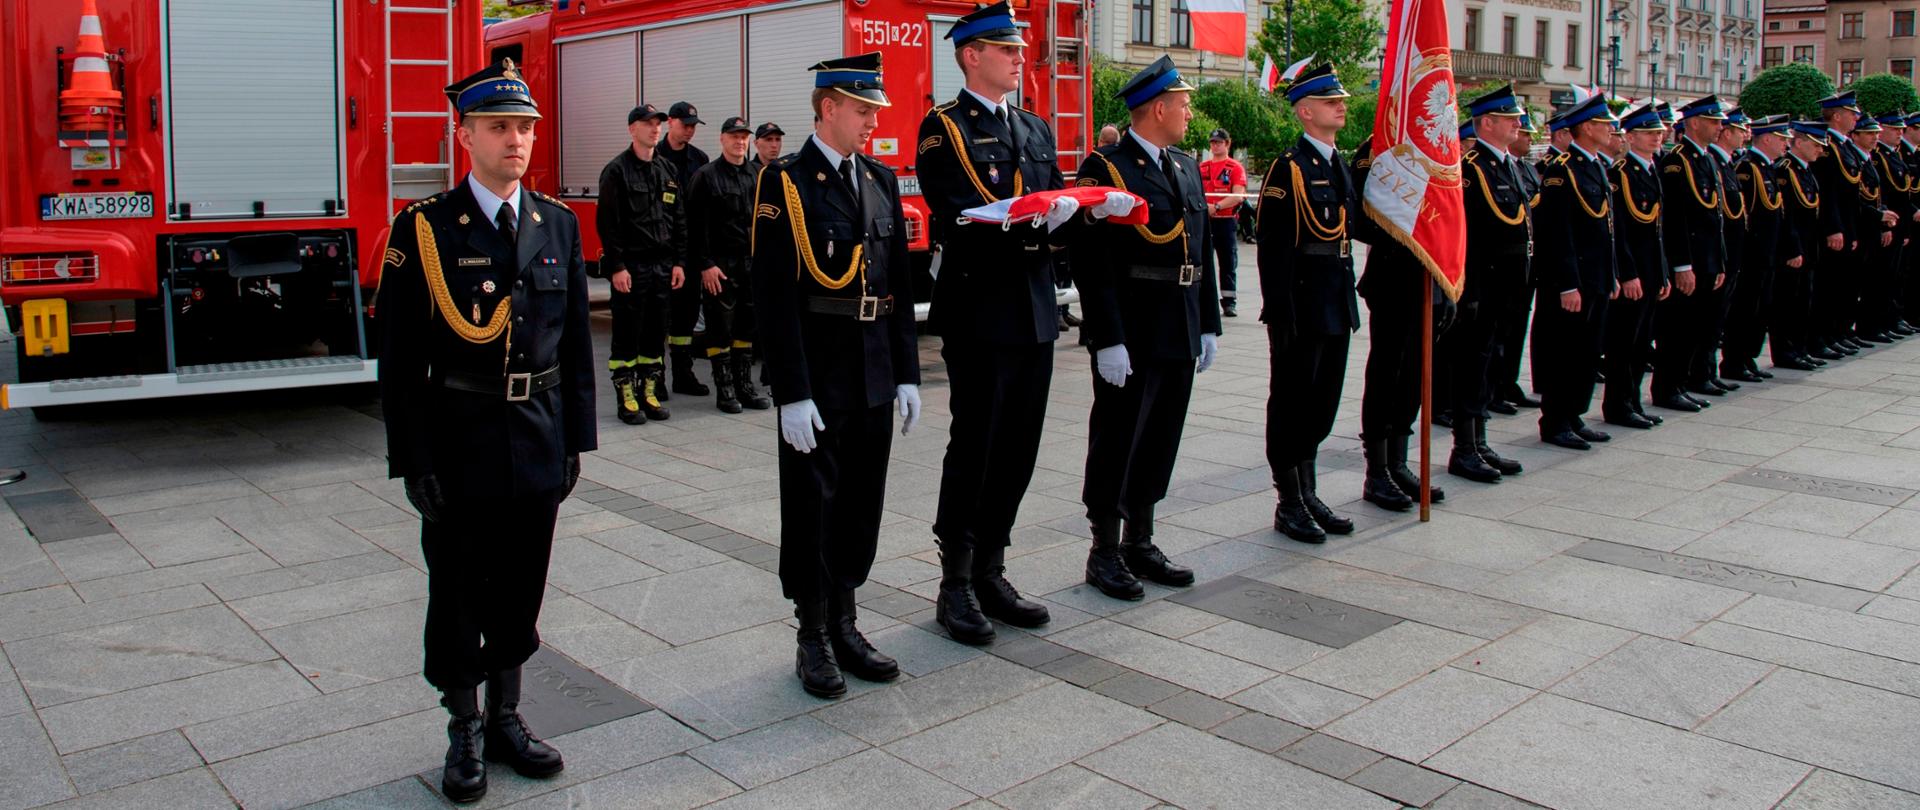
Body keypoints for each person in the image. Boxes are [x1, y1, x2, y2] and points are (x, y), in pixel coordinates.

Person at [377, 60, 592, 803]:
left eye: (525, 127)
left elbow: (573, 350)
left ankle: (507, 714)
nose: (516, 140)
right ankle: (462, 725)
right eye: (499, 126)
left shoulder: (556, 223)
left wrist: (575, 442)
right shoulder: (425, 230)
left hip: (537, 431)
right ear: (463, 133)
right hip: (461, 436)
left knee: (521, 583)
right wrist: (414, 459)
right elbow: (400, 360)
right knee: (460, 586)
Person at [751, 52, 920, 699]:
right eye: (862, 109)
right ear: (828, 108)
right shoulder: (785, 184)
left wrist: (907, 372)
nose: (872, 121)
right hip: (819, 377)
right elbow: (773, 294)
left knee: (860, 503)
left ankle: (847, 621)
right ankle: (812, 632)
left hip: (874, 369)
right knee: (812, 506)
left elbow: (899, 286)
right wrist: (789, 391)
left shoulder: (878, 178)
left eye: (875, 110)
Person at [917, 1, 1079, 644]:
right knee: (978, 445)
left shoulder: (1036, 128)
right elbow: (957, 211)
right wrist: (1033, 215)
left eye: (1019, 47)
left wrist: (1076, 212)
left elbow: (1056, 193)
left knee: (1019, 447)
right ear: (971, 55)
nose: (1020, 57)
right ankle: (954, 582)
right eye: (1006, 48)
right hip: (982, 308)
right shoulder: (943, 129)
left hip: (1036, 306)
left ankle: (992, 569)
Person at [1071, 55, 1219, 597]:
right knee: (1118, 436)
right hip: (1132, 328)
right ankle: (1104, 549)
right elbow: (1093, 261)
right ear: (1158, 108)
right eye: (1182, 104)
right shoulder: (1106, 168)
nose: (1188, 112)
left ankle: (1141, 538)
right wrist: (1107, 336)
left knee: (1160, 436)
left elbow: (1199, 248)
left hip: (1178, 322)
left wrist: (1208, 323)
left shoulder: (1183, 165)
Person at [1258, 63, 1359, 542]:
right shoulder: (1289, 167)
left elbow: (1348, 234)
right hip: (1301, 306)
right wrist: (1281, 312)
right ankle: (1289, 499)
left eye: (1340, 99)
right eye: (1330, 100)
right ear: (1305, 111)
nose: (1341, 106)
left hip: (1335, 301)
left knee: (1323, 403)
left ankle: (1309, 489)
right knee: (1293, 404)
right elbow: (1274, 249)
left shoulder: (1337, 162)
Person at [1351, 134, 1449, 510]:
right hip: (1394, 277)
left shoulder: (1437, 147)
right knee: (1387, 373)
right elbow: (1359, 214)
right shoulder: (1379, 146)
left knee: (1414, 375)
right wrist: (1405, 232)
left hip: (1432, 277)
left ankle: (1398, 461)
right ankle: (1377, 471)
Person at [1447, 85, 1531, 480]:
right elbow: (1470, 238)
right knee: (1471, 365)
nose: (1518, 123)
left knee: (1490, 365)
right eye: (1510, 117)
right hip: (1482, 288)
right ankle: (1464, 447)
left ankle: (1480, 441)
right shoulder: (1472, 167)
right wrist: (1471, 292)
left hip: (1507, 287)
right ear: (1487, 123)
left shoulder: (1506, 164)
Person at [1531, 93, 1619, 451]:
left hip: (1596, 277)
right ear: (1586, 128)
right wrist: (1568, 284)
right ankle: (1555, 420)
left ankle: (1574, 414)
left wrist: (1610, 273)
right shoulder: (1561, 171)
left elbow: (1606, 228)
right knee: (1564, 352)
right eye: (1604, 124)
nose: (1611, 130)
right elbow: (1558, 232)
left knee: (1587, 351)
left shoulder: (1597, 166)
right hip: (1573, 282)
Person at [596, 103, 681, 425]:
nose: (654, 129)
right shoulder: (617, 171)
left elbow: (678, 218)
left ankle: (649, 390)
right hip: (632, 267)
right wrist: (617, 266)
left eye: (658, 123)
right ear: (632, 129)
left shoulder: (666, 170)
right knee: (627, 333)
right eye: (647, 124)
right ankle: (626, 396)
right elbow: (608, 223)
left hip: (662, 266)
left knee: (655, 332)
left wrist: (678, 263)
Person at [684, 116, 774, 413]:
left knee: (746, 330)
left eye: (744, 136)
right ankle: (725, 390)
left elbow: (765, 222)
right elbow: (694, 227)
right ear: (722, 139)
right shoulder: (706, 176)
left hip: (751, 264)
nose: (740, 141)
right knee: (720, 329)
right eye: (734, 136)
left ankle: (745, 387)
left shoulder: (756, 175)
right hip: (719, 266)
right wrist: (705, 264)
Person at [1651, 95, 1729, 414]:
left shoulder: (1706, 159)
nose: (1719, 127)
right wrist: (1682, 264)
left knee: (1697, 327)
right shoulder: (1677, 161)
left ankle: (1683, 383)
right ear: (1694, 123)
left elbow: (1717, 216)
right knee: (1677, 330)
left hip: (1707, 258)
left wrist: (1720, 261)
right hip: (1689, 260)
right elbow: (1677, 218)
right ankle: (1668, 387)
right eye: (1713, 122)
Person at [1601, 101, 1670, 430]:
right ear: (1630, 137)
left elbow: (1657, 231)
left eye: (1658, 132)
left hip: (1651, 270)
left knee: (1642, 343)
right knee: (1624, 343)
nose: (1657, 137)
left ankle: (1632, 401)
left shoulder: (1650, 170)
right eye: (1648, 133)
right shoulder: (1621, 174)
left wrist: (1664, 272)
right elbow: (1621, 232)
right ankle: (1618, 405)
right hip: (1634, 273)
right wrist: (1627, 273)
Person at [1721, 115, 1793, 383]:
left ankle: (1747, 358)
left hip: (1767, 254)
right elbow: (1747, 216)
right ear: (1767, 139)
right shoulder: (1748, 168)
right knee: (1744, 310)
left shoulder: (1766, 167)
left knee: (1759, 309)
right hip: (1752, 254)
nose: (1786, 144)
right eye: (1782, 139)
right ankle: (1734, 361)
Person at [1771, 120, 1839, 371]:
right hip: (1794, 248)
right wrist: (1793, 248)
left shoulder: (1806, 169)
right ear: (1798, 143)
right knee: (1788, 304)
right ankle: (1786, 351)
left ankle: (1799, 349)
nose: (1820, 150)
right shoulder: (1785, 170)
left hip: (1809, 247)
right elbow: (1786, 215)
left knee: (1803, 301)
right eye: (1815, 145)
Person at [1489, 113, 1546, 414]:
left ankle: (1507, 383)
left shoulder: (1525, 169)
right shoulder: (1480, 168)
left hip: (1522, 264)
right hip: (1494, 270)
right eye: (1523, 131)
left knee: (1514, 330)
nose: (1526, 136)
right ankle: (1494, 390)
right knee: (1494, 336)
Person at [660, 101, 712, 400]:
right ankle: (656, 378)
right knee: (659, 318)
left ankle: (683, 373)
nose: (690, 130)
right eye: (685, 124)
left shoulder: (699, 160)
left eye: (693, 126)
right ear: (671, 123)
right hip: (662, 249)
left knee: (686, 316)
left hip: (690, 251)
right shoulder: (656, 157)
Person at [1868, 113, 1916, 342]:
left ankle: (1888, 319)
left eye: (1900, 129)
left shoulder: (1894, 155)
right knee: (1881, 277)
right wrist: (1883, 225)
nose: (1899, 132)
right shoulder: (1878, 157)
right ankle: (1876, 323)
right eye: (1894, 129)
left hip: (1899, 223)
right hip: (1887, 222)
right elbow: (1883, 194)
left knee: (1894, 276)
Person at [1201, 128, 1248, 317]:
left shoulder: (1235, 167)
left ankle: (1229, 301)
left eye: (1219, 142)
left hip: (1226, 219)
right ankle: (1205, 300)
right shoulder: (1202, 167)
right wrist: (1206, 206)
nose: (1215, 146)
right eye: (1212, 142)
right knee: (1203, 261)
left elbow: (1238, 195)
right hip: (1206, 219)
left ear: (1227, 144)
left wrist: (1217, 206)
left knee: (1228, 262)